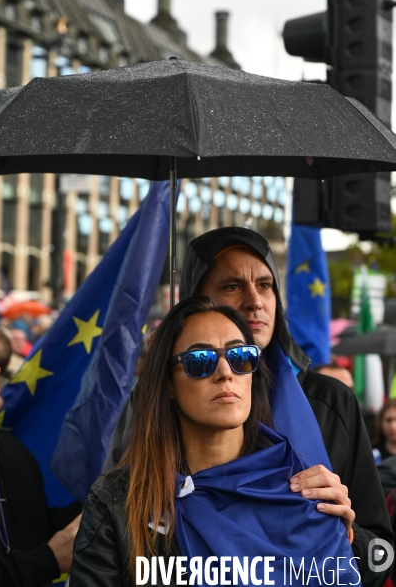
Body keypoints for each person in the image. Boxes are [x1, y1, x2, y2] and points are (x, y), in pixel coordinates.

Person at [105, 226, 393, 586]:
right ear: (197, 301)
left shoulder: (331, 403)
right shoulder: (152, 404)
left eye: (265, 285)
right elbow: (118, 529)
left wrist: (345, 536)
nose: (254, 301)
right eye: (232, 286)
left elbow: (383, 556)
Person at [70, 298, 361, 586]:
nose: (225, 373)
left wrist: (346, 536)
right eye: (200, 361)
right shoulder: (118, 500)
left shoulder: (303, 489)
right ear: (168, 384)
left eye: (240, 357)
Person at [0, 329, 81, 587]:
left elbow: (35, 527)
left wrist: (103, 507)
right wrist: (48, 559)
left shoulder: (11, 450)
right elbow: (46, 552)